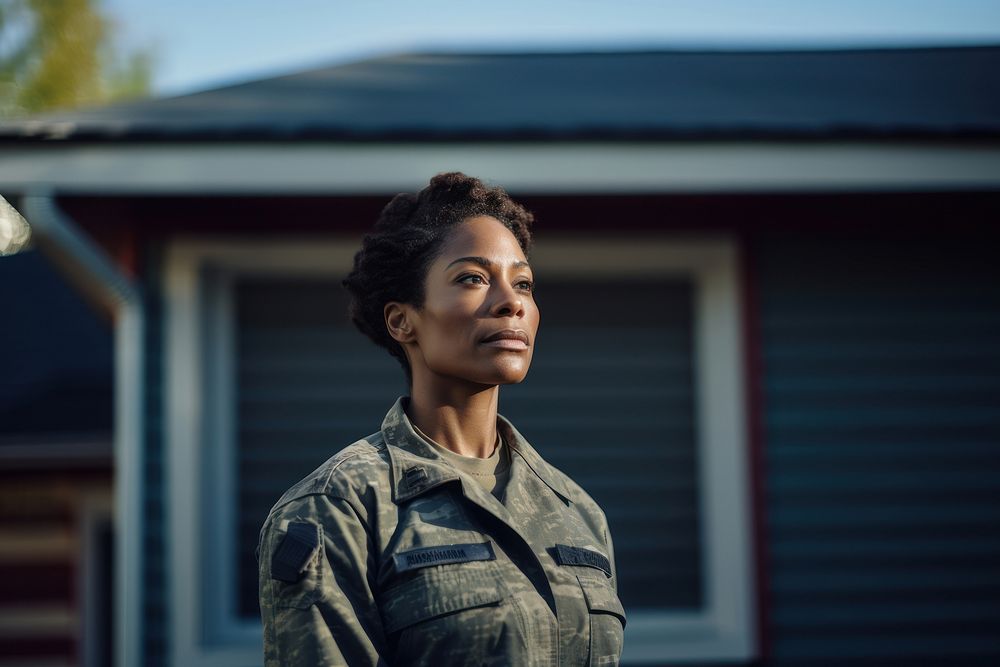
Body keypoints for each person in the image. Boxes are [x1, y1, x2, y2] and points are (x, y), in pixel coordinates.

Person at [257, 172, 625, 666]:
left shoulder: (578, 512)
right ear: (401, 320)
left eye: (523, 283)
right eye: (472, 278)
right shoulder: (339, 509)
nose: (511, 302)